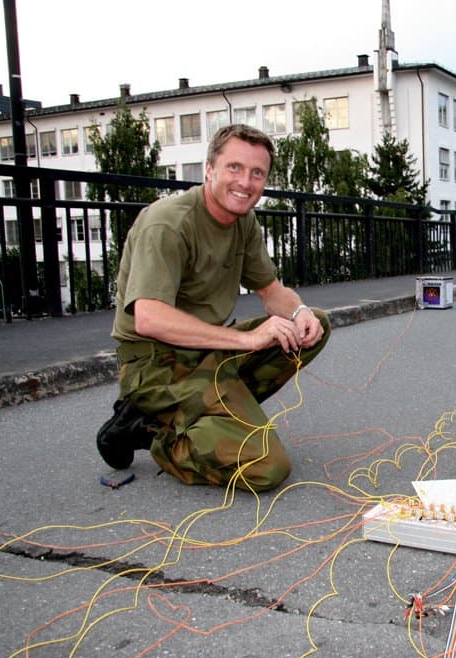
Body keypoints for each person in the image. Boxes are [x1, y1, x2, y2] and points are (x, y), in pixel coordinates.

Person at [96, 124, 330, 491]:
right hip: (155, 363)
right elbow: (149, 318)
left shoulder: (243, 221)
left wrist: (299, 313)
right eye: (234, 168)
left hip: (205, 351)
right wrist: (249, 340)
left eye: (257, 173)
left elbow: (271, 291)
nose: (246, 182)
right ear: (209, 170)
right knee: (267, 468)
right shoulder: (169, 224)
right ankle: (158, 430)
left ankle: (203, 412)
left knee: (316, 324)